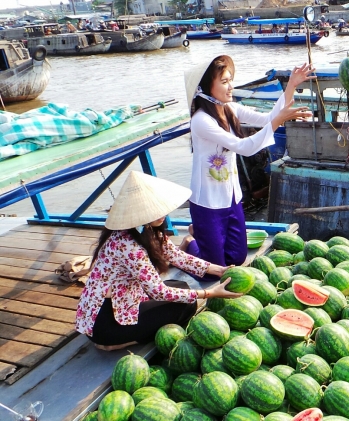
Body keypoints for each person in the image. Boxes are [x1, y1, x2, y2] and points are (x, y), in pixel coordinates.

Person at [74, 171, 242, 352]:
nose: (161, 214)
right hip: (106, 321)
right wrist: (209, 293)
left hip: (117, 303)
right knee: (187, 304)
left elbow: (177, 256)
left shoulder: (144, 230)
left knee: (181, 285)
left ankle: (124, 335)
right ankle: (116, 342)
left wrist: (219, 270)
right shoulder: (130, 247)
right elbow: (159, 291)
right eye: (153, 211)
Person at [182, 55, 314, 278]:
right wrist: (279, 120)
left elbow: (268, 118)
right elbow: (245, 147)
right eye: (224, 82)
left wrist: (291, 85)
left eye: (230, 80)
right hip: (208, 203)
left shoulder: (230, 108)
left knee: (237, 257)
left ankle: (200, 235)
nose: (231, 86)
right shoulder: (201, 120)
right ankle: (190, 245)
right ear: (205, 87)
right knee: (215, 272)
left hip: (231, 197)